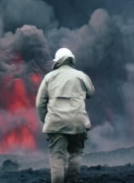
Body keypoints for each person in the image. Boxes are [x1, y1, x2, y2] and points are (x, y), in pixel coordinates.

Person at [36, 48, 95, 183]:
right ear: (71, 59)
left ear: (57, 62)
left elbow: (40, 103)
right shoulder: (81, 76)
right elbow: (91, 93)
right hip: (77, 121)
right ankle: (73, 180)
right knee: (76, 152)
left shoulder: (49, 77)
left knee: (57, 156)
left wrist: (46, 120)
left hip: (56, 122)